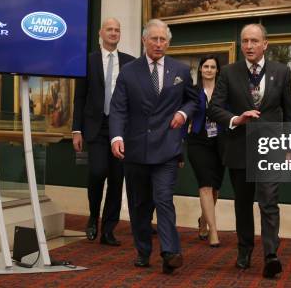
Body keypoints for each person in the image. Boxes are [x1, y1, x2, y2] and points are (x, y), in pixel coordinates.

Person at [207, 23, 291, 278]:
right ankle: (244, 250)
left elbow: (289, 114)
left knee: (269, 201)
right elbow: (214, 109)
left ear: (265, 44)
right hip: (238, 148)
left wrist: (290, 147)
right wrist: (236, 118)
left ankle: (271, 255)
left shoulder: (281, 71)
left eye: (254, 41)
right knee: (243, 203)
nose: (249, 46)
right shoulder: (228, 72)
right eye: (245, 41)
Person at [109, 19, 197, 274]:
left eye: (163, 40)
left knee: (163, 199)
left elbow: (193, 101)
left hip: (167, 147)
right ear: (144, 40)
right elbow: (118, 109)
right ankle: (143, 250)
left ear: (168, 43)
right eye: (154, 39)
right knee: (140, 204)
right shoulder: (129, 71)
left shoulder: (180, 69)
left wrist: (183, 113)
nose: (159, 44)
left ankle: (170, 252)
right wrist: (116, 137)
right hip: (136, 149)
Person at [72, 18, 135, 245]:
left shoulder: (130, 63)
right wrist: (76, 130)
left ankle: (109, 229)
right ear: (101, 33)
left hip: (121, 129)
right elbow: (79, 97)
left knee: (117, 180)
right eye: (109, 29)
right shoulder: (88, 61)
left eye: (117, 30)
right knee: (98, 172)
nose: (113, 33)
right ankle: (93, 216)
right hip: (95, 128)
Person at [187, 55, 225, 247]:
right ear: (200, 69)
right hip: (197, 142)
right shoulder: (192, 91)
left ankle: (203, 220)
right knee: (205, 185)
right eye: (205, 66)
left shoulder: (223, 91)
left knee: (216, 188)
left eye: (213, 67)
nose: (209, 69)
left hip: (220, 143)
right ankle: (214, 232)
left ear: (217, 70)